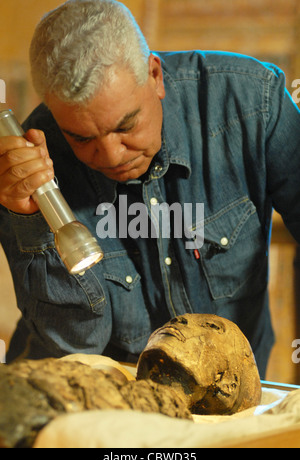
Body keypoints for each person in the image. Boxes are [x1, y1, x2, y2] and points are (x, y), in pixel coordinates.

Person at [1, 0, 300, 378]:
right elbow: (72, 345)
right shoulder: (27, 169)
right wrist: (30, 221)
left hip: (225, 393)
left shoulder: (253, 104)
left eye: (125, 126)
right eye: (81, 138)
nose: (110, 156)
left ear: (155, 75)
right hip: (89, 395)